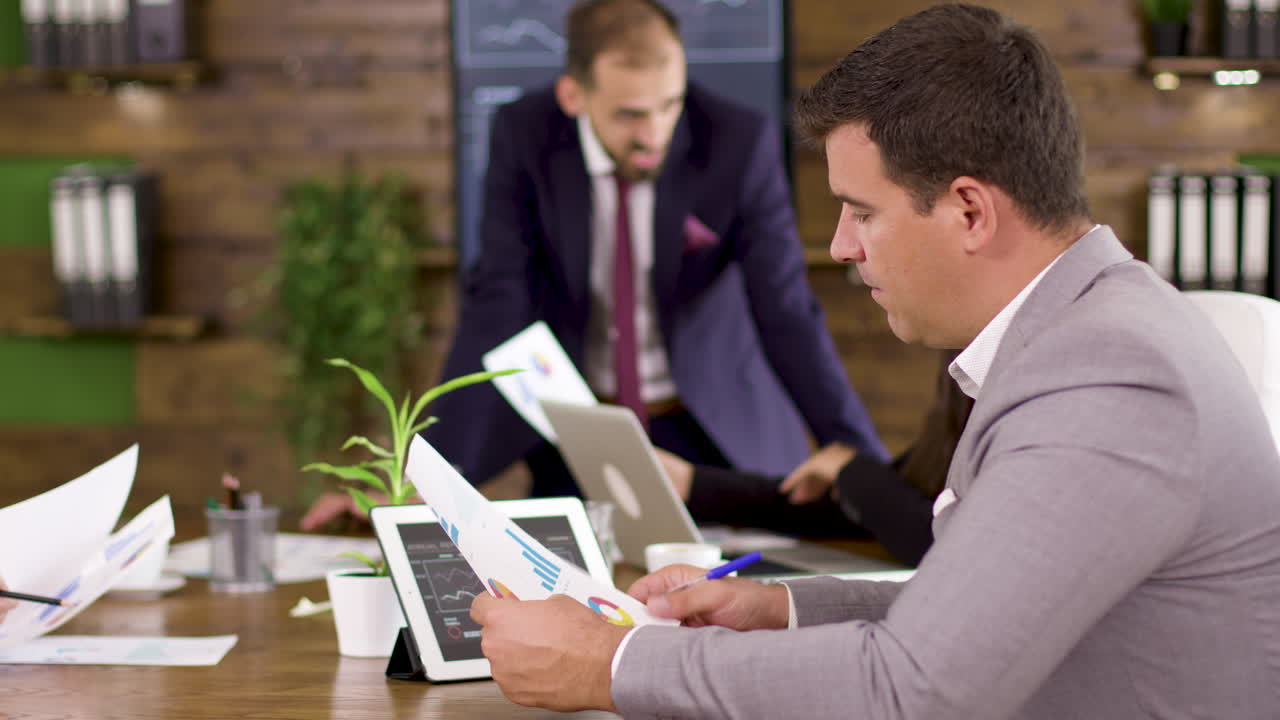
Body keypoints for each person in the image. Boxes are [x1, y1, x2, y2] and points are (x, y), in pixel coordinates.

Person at [469, 5, 1280, 717]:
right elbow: (967, 621)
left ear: (969, 211)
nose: (841, 246)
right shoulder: (1086, 334)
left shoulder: (1107, 378)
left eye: (862, 211)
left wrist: (613, 662)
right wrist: (778, 609)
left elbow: (911, 691)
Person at [423, 0, 886, 498]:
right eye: (629, 115)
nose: (654, 135)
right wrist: (429, 475)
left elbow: (785, 307)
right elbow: (498, 300)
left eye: (669, 105)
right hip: (578, 426)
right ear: (573, 96)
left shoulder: (737, 142)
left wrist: (864, 462)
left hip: (708, 427)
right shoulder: (525, 134)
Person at [660, 349, 971, 566]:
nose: (866, 280)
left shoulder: (994, 388)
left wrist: (850, 469)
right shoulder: (964, 376)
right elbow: (877, 514)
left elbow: (938, 540)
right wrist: (693, 483)